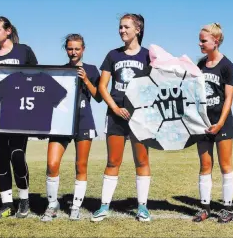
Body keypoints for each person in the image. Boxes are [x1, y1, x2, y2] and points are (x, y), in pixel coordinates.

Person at [91, 14, 152, 222]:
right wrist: (115, 108)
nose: (122, 30)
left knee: (142, 160)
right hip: (116, 115)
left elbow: (158, 83)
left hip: (140, 116)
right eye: (120, 27)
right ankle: (104, 205)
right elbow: (102, 86)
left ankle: (142, 207)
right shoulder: (113, 55)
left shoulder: (148, 56)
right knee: (113, 161)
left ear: (138, 29)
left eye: (126, 27)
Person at [0, 16, 38, 219]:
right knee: (1, 159)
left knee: (17, 155)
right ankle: (6, 203)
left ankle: (24, 200)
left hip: (19, 114)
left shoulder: (24, 51)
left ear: (8, 30)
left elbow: (36, 79)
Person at [40, 34, 102, 222]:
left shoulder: (91, 69)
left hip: (84, 121)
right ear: (66, 49)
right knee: (52, 164)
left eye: (77, 48)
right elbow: (49, 99)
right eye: (70, 48)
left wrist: (86, 80)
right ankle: (52, 205)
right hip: (61, 123)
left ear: (83, 49)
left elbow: (99, 97)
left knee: (80, 165)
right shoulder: (59, 71)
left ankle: (75, 206)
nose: (73, 52)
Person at [193, 23, 233, 223]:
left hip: (222, 123)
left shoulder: (227, 65)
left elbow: (228, 98)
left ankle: (227, 209)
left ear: (215, 41)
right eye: (200, 40)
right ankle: (205, 208)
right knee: (205, 165)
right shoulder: (200, 65)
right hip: (203, 123)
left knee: (225, 165)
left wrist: (219, 123)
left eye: (204, 40)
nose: (200, 43)